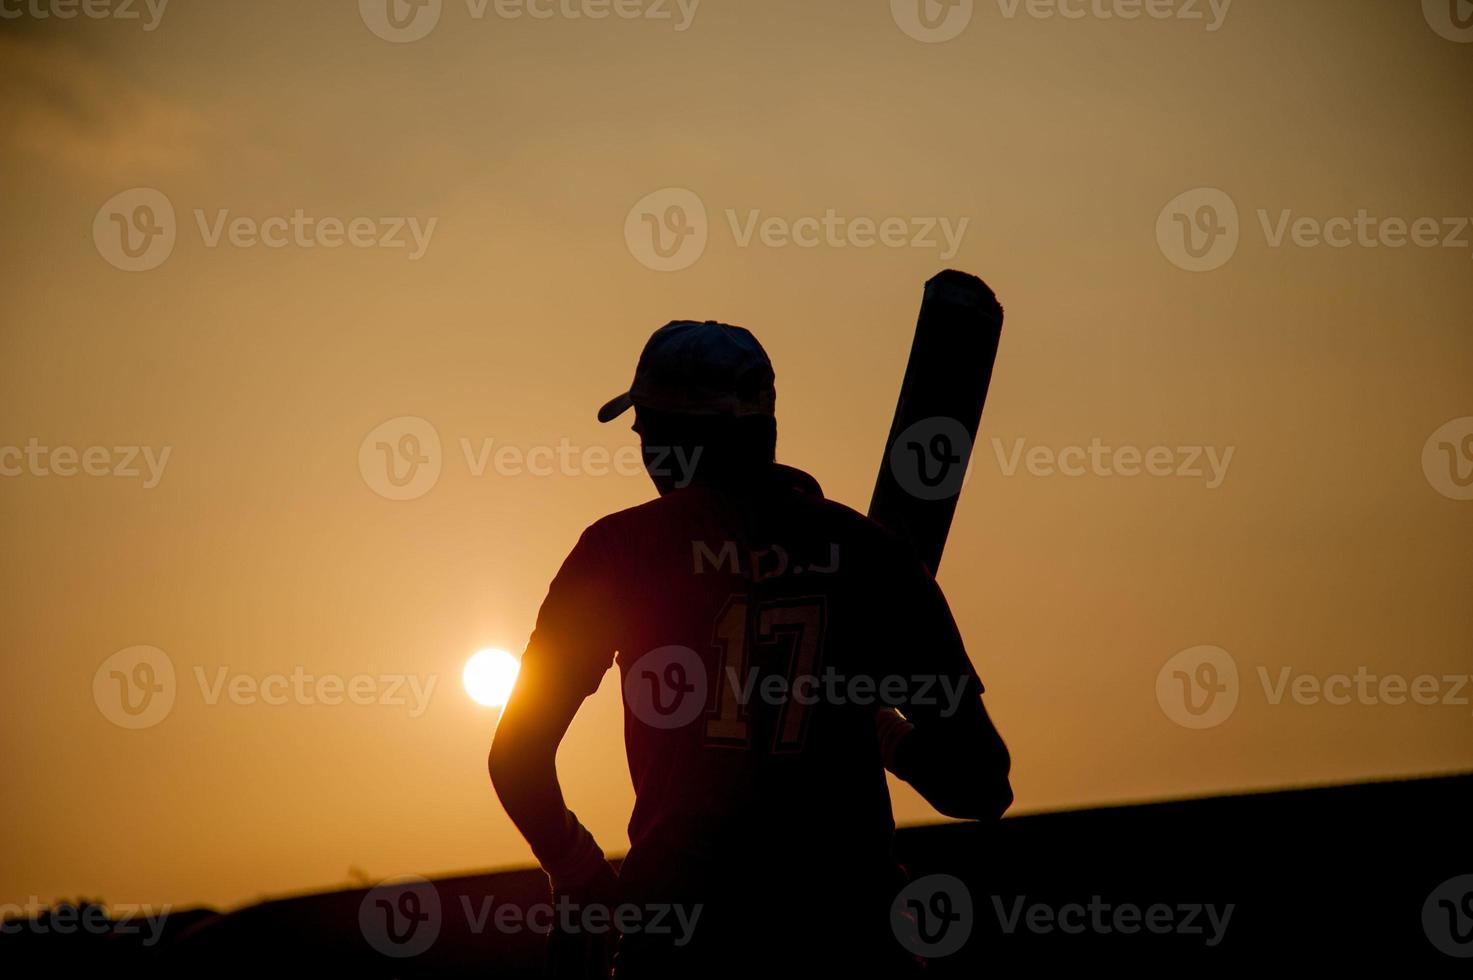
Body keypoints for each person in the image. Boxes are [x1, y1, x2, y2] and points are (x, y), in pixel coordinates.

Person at [489, 320, 1011, 978]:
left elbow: (516, 755)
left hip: (683, 957)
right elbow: (978, 784)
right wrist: (884, 734)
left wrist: (578, 873)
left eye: (646, 430)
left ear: (664, 438)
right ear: (764, 428)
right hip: (848, 951)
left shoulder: (617, 553)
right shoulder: (868, 554)